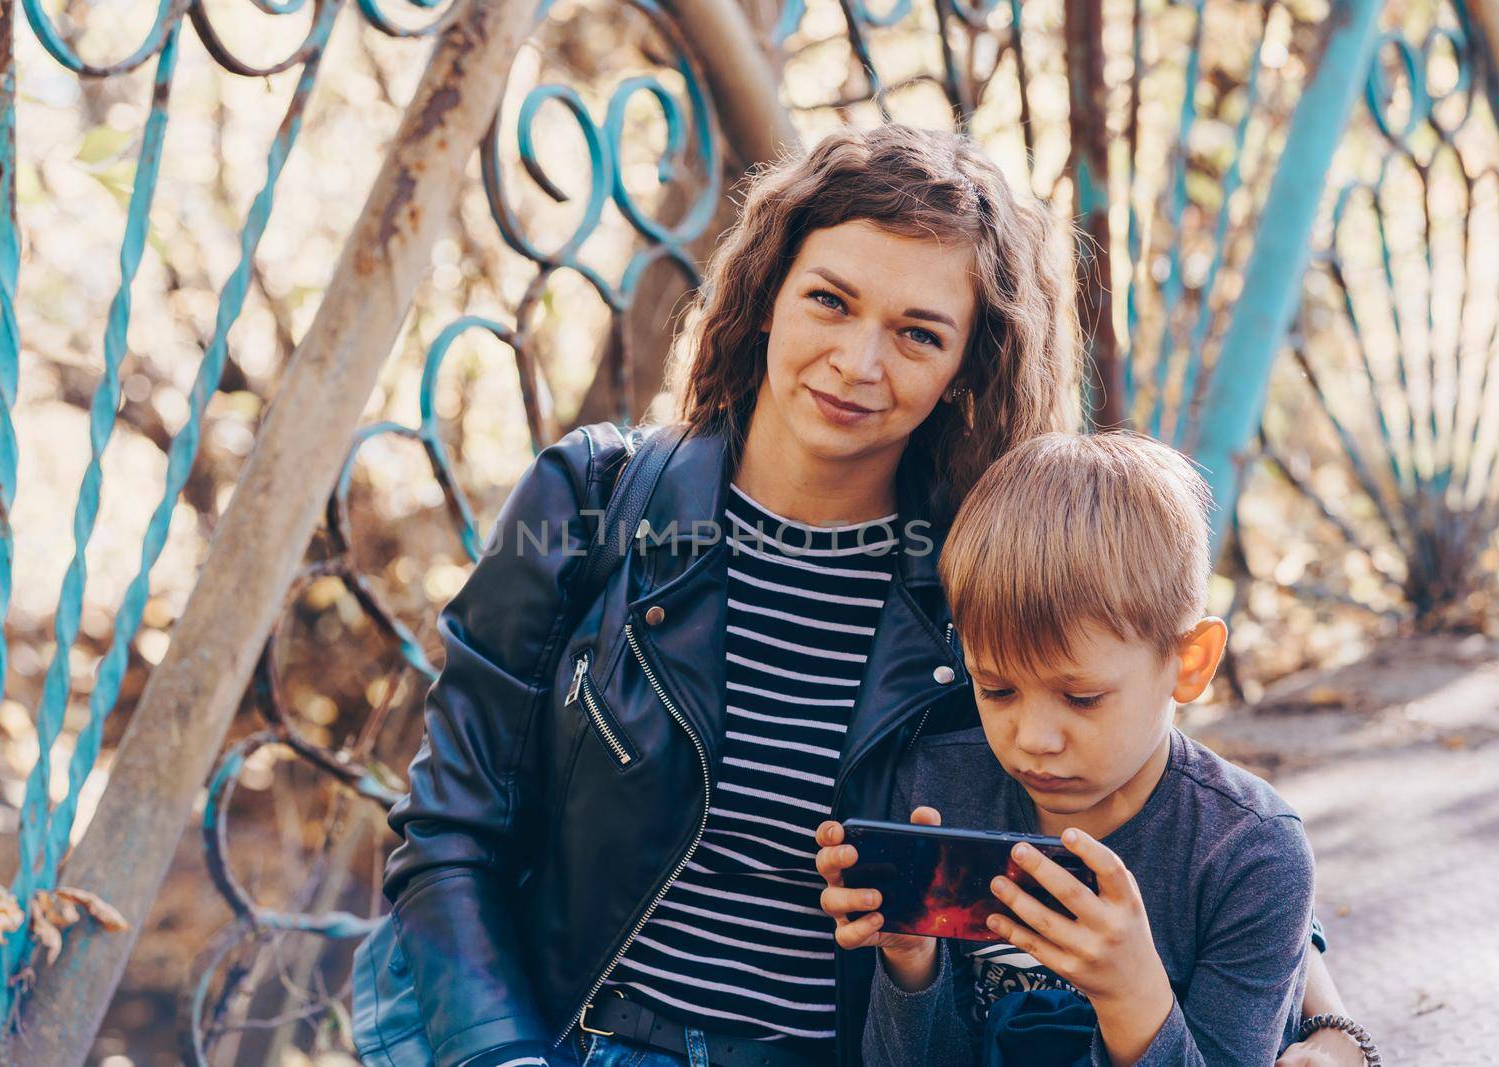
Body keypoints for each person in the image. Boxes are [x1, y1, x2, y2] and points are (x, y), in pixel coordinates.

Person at [355, 123, 1357, 1067]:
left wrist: (1320, 1011)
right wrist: (499, 1052)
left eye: (919, 333)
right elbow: (448, 826)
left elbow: (1149, 790)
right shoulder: (591, 500)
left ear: (968, 365)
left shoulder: (980, 574)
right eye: (829, 301)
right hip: (572, 1034)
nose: (857, 363)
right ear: (765, 296)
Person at [815, 432, 1379, 1066]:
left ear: (1189, 664)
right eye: (996, 690)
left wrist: (1132, 996)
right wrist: (910, 963)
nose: (1033, 740)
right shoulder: (936, 793)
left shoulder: (1246, 852)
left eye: (1082, 699)